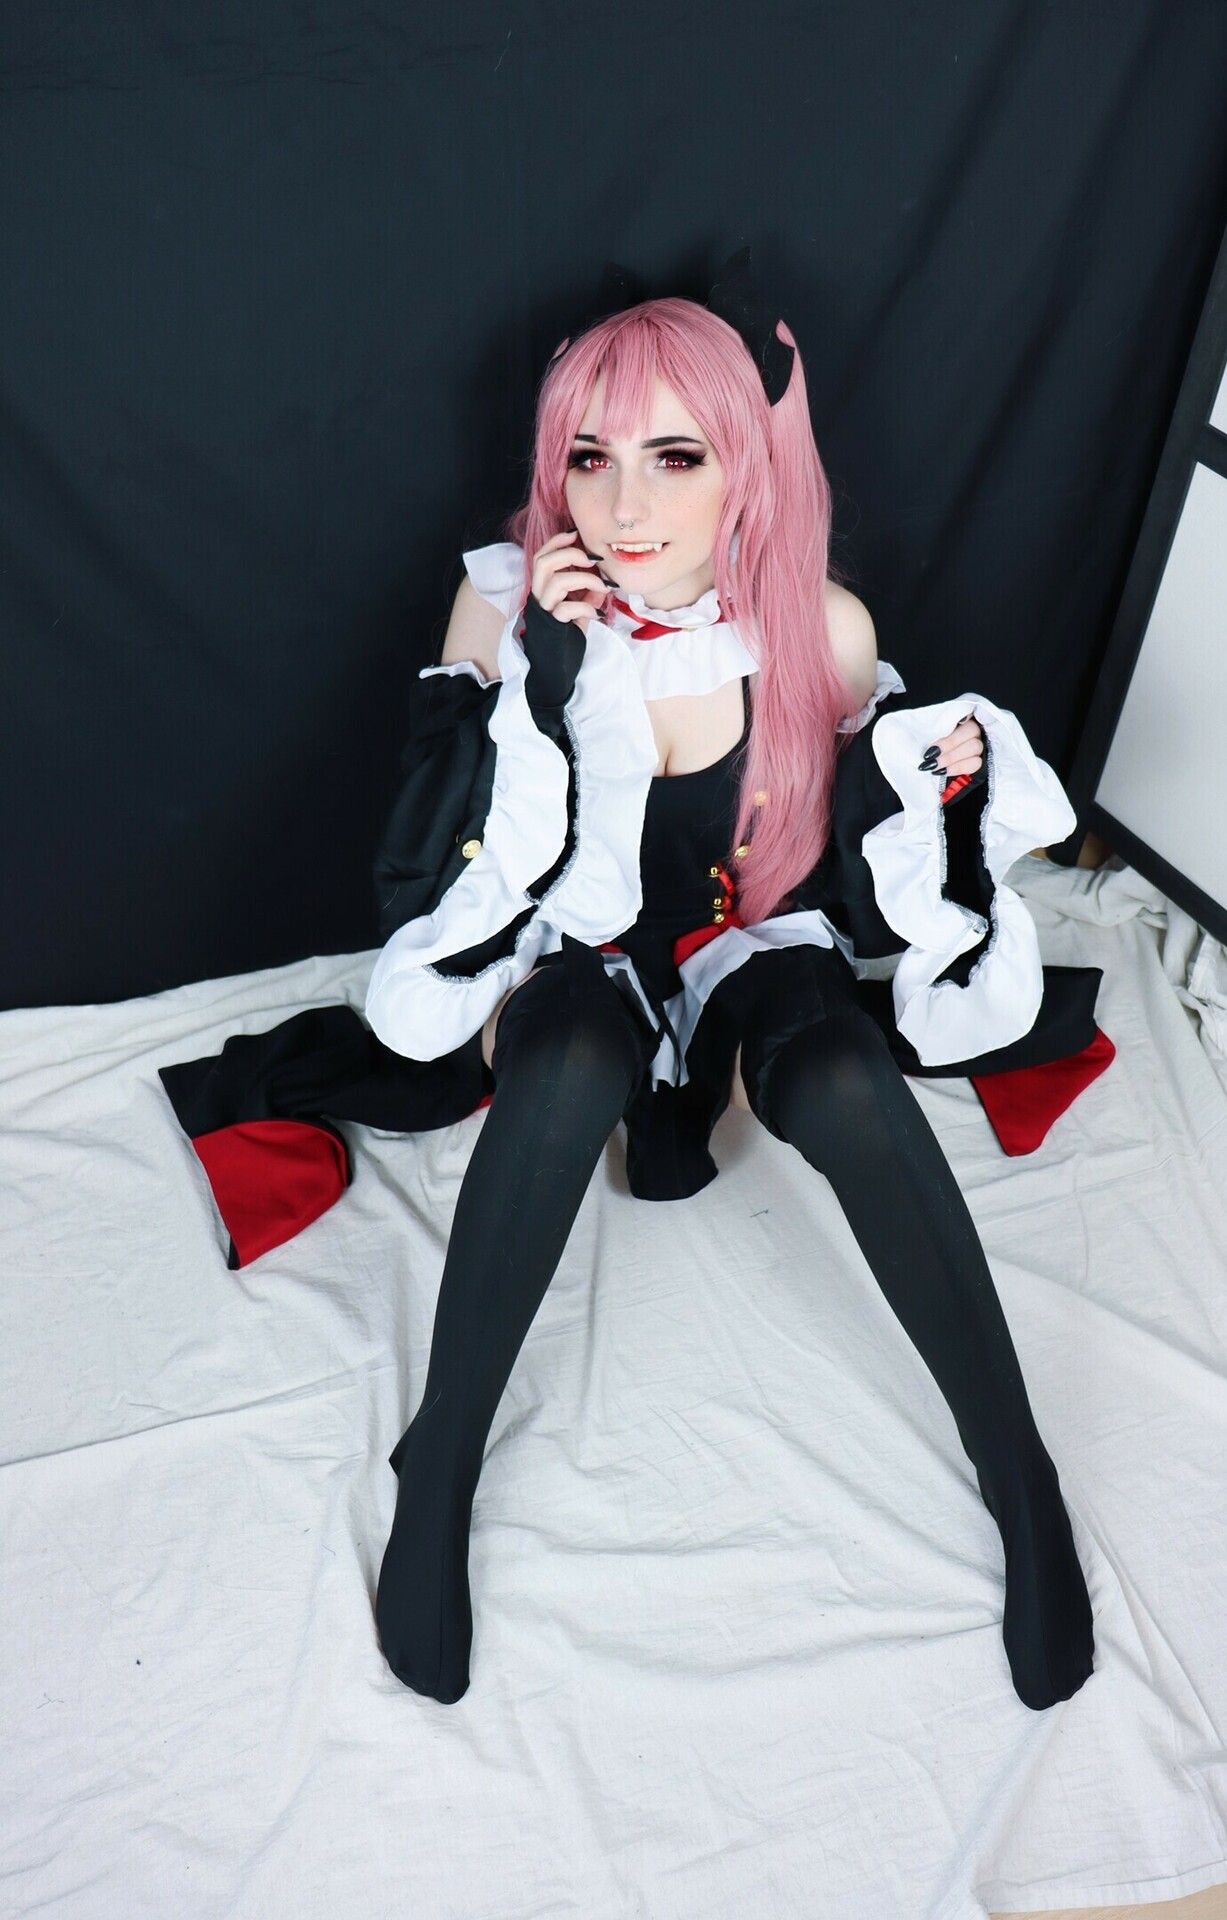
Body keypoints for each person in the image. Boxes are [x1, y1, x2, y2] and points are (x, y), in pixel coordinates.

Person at [160, 254, 1108, 1710]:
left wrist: (948, 790)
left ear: (748, 469)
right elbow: (426, 872)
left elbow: (851, 876)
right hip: (574, 962)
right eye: (590, 458)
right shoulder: (501, 605)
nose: (623, 506)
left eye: (677, 457)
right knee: (564, 1062)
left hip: (742, 946)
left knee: (843, 1070)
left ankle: (1019, 1474)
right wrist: (541, 669)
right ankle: (441, 1459)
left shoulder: (819, 628)